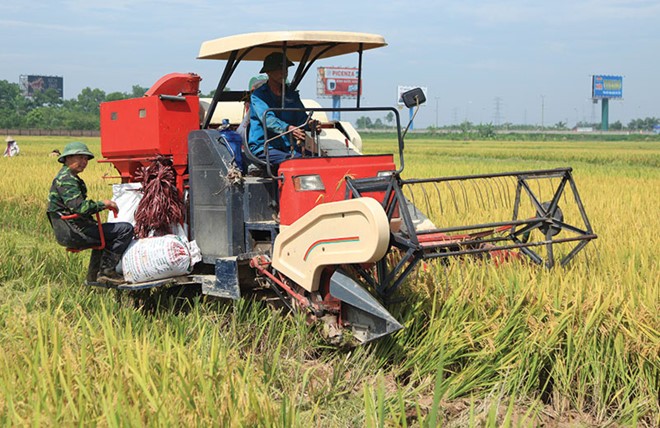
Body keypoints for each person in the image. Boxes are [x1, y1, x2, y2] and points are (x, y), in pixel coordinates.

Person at [47, 142, 134, 286]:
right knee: (125, 230)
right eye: (80, 157)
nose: (84, 162)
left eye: (86, 159)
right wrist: (104, 204)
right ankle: (107, 272)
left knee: (102, 234)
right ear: (67, 158)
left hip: (71, 229)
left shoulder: (66, 177)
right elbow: (79, 208)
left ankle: (93, 276)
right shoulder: (67, 180)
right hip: (77, 230)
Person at [248, 52, 313, 168]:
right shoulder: (258, 96)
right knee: (298, 162)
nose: (284, 72)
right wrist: (288, 128)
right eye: (279, 68)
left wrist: (310, 123)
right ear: (268, 72)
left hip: (288, 147)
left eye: (286, 68)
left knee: (317, 159)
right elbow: (268, 119)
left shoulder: (291, 95)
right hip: (265, 147)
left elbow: (301, 117)